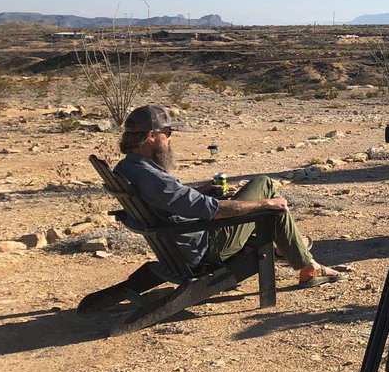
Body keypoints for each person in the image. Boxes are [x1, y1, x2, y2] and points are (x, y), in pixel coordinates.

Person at [114, 104, 340, 287]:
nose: (170, 139)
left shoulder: (129, 168)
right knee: (265, 187)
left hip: (178, 246)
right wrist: (264, 203)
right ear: (152, 136)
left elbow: (172, 201)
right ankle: (304, 264)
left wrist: (205, 191)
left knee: (265, 199)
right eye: (168, 133)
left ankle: (289, 249)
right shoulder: (153, 177)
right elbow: (214, 211)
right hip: (205, 248)